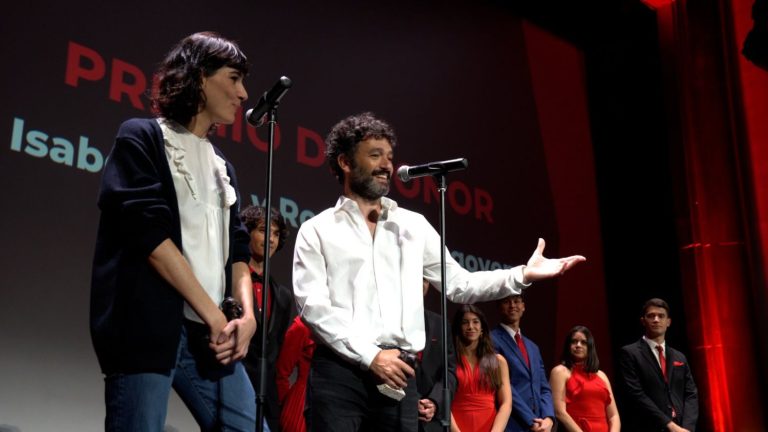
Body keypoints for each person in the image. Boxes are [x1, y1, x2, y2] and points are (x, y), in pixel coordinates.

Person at [291, 111, 586, 432]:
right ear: (345, 162)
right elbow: (313, 307)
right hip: (339, 373)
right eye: (374, 155)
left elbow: (459, 284)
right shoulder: (316, 229)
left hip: (399, 374)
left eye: (390, 156)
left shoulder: (412, 225)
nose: (387, 165)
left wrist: (522, 275)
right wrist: (371, 356)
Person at [90, 32, 257, 431]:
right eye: (234, 79)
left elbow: (237, 250)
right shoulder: (142, 137)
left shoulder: (223, 167)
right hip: (147, 324)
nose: (244, 93)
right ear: (200, 77)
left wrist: (247, 316)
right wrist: (215, 316)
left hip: (209, 332)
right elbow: (150, 238)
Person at [240, 205, 296, 431]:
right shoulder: (229, 281)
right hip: (233, 381)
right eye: (264, 230)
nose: (271, 239)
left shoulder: (283, 296)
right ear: (247, 233)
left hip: (267, 395)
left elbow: (278, 349)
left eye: (275, 234)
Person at [618, 298, 699, 432]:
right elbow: (636, 394)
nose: (656, 319)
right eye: (651, 316)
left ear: (668, 322)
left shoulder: (680, 357)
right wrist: (670, 425)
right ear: (643, 321)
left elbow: (691, 393)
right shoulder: (630, 353)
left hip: (681, 427)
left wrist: (687, 428)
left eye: (661, 316)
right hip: (649, 426)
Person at [491, 294, 555, 432]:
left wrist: (548, 418)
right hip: (512, 424)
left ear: (523, 307)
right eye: (506, 302)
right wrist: (531, 421)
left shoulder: (533, 347)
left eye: (516, 301)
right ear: (499, 307)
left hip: (540, 424)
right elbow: (503, 386)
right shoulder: (491, 340)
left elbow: (544, 387)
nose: (512, 305)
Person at [450, 304, 513, 432]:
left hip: (490, 426)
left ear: (482, 328)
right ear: (458, 327)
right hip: (456, 425)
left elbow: (506, 403)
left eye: (475, 322)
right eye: (465, 323)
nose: (471, 327)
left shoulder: (498, 361)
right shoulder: (449, 360)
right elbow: (443, 401)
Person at [549, 326, 620, 432]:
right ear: (568, 346)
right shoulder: (560, 372)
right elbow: (559, 412)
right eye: (574, 341)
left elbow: (613, 415)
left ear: (590, 347)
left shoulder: (601, 375)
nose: (578, 345)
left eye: (583, 342)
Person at [416, 281, 457, 432]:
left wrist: (434, 401)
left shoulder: (441, 324)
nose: (421, 282)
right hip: (394, 414)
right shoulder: (384, 320)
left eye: (425, 279)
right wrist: (412, 400)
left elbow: (450, 371)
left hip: (432, 422)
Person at [275, 316, 315, 432]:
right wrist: (283, 405)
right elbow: (281, 374)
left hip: (334, 408)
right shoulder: (302, 326)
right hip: (301, 407)